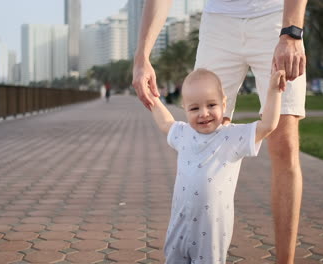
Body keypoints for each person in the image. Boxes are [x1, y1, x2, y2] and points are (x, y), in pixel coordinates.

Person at [132, 1, 307, 263]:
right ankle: (198, 248)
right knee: (206, 130)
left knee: (284, 144)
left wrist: (291, 31)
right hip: (219, 21)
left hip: (276, 17)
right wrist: (142, 56)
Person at [146, 68, 285, 263]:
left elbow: (268, 125)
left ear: (224, 103)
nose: (204, 114)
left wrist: (273, 91)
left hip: (210, 232)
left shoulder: (233, 137)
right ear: (184, 108)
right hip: (179, 225)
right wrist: (151, 96)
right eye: (194, 108)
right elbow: (165, 122)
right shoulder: (183, 133)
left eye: (211, 105)